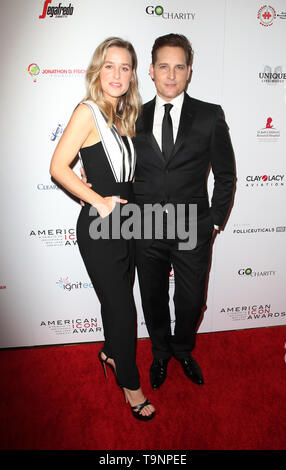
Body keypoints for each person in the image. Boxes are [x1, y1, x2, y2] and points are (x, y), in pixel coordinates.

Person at [50, 37, 155, 421]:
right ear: (98, 70)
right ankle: (130, 383)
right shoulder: (88, 111)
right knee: (124, 310)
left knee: (117, 300)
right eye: (110, 65)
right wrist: (95, 200)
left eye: (125, 67)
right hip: (100, 228)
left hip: (128, 223)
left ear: (132, 75)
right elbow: (58, 166)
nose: (117, 74)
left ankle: (111, 352)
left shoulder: (123, 115)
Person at [133, 34, 236, 390]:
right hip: (145, 228)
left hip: (193, 228)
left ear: (189, 71)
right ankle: (160, 353)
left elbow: (225, 175)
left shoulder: (210, 116)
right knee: (152, 297)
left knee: (191, 301)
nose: (171, 75)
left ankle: (182, 349)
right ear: (151, 70)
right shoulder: (132, 116)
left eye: (179, 67)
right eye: (164, 66)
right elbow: (120, 171)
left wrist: (214, 223)